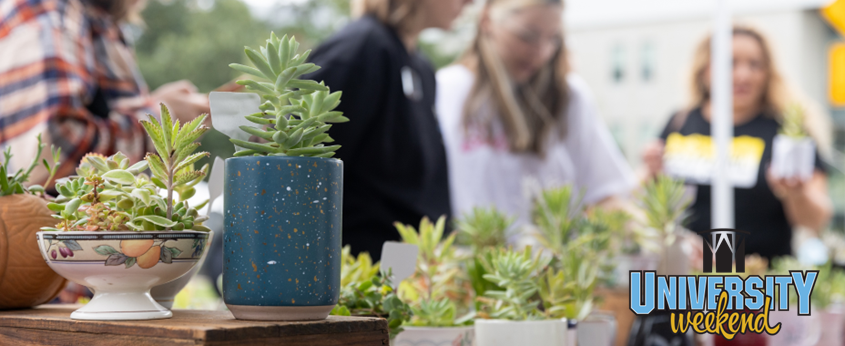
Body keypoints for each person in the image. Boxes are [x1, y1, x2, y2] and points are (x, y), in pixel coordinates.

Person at [435, 0, 636, 228]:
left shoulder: (568, 97)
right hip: (466, 259)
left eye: (553, 39)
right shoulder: (443, 91)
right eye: (527, 36)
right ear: (487, 20)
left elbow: (607, 195)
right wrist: (397, 264)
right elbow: (409, 203)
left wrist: (657, 246)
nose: (541, 52)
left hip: (552, 260)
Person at [641, 25, 833, 261]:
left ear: (768, 72)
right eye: (729, 63)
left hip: (761, 286)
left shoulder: (787, 134)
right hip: (688, 282)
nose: (743, 75)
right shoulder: (680, 123)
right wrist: (651, 174)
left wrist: (795, 193)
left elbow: (817, 220)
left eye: (755, 64)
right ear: (704, 70)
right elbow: (643, 203)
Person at [304, 0, 471, 260]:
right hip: (351, 274)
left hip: (406, 273)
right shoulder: (360, 49)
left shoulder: (421, 66)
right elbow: (294, 167)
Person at [0, 0, 209, 184]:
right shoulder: (53, 10)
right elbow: (52, 151)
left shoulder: (96, 20)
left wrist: (156, 107)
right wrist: (164, 117)